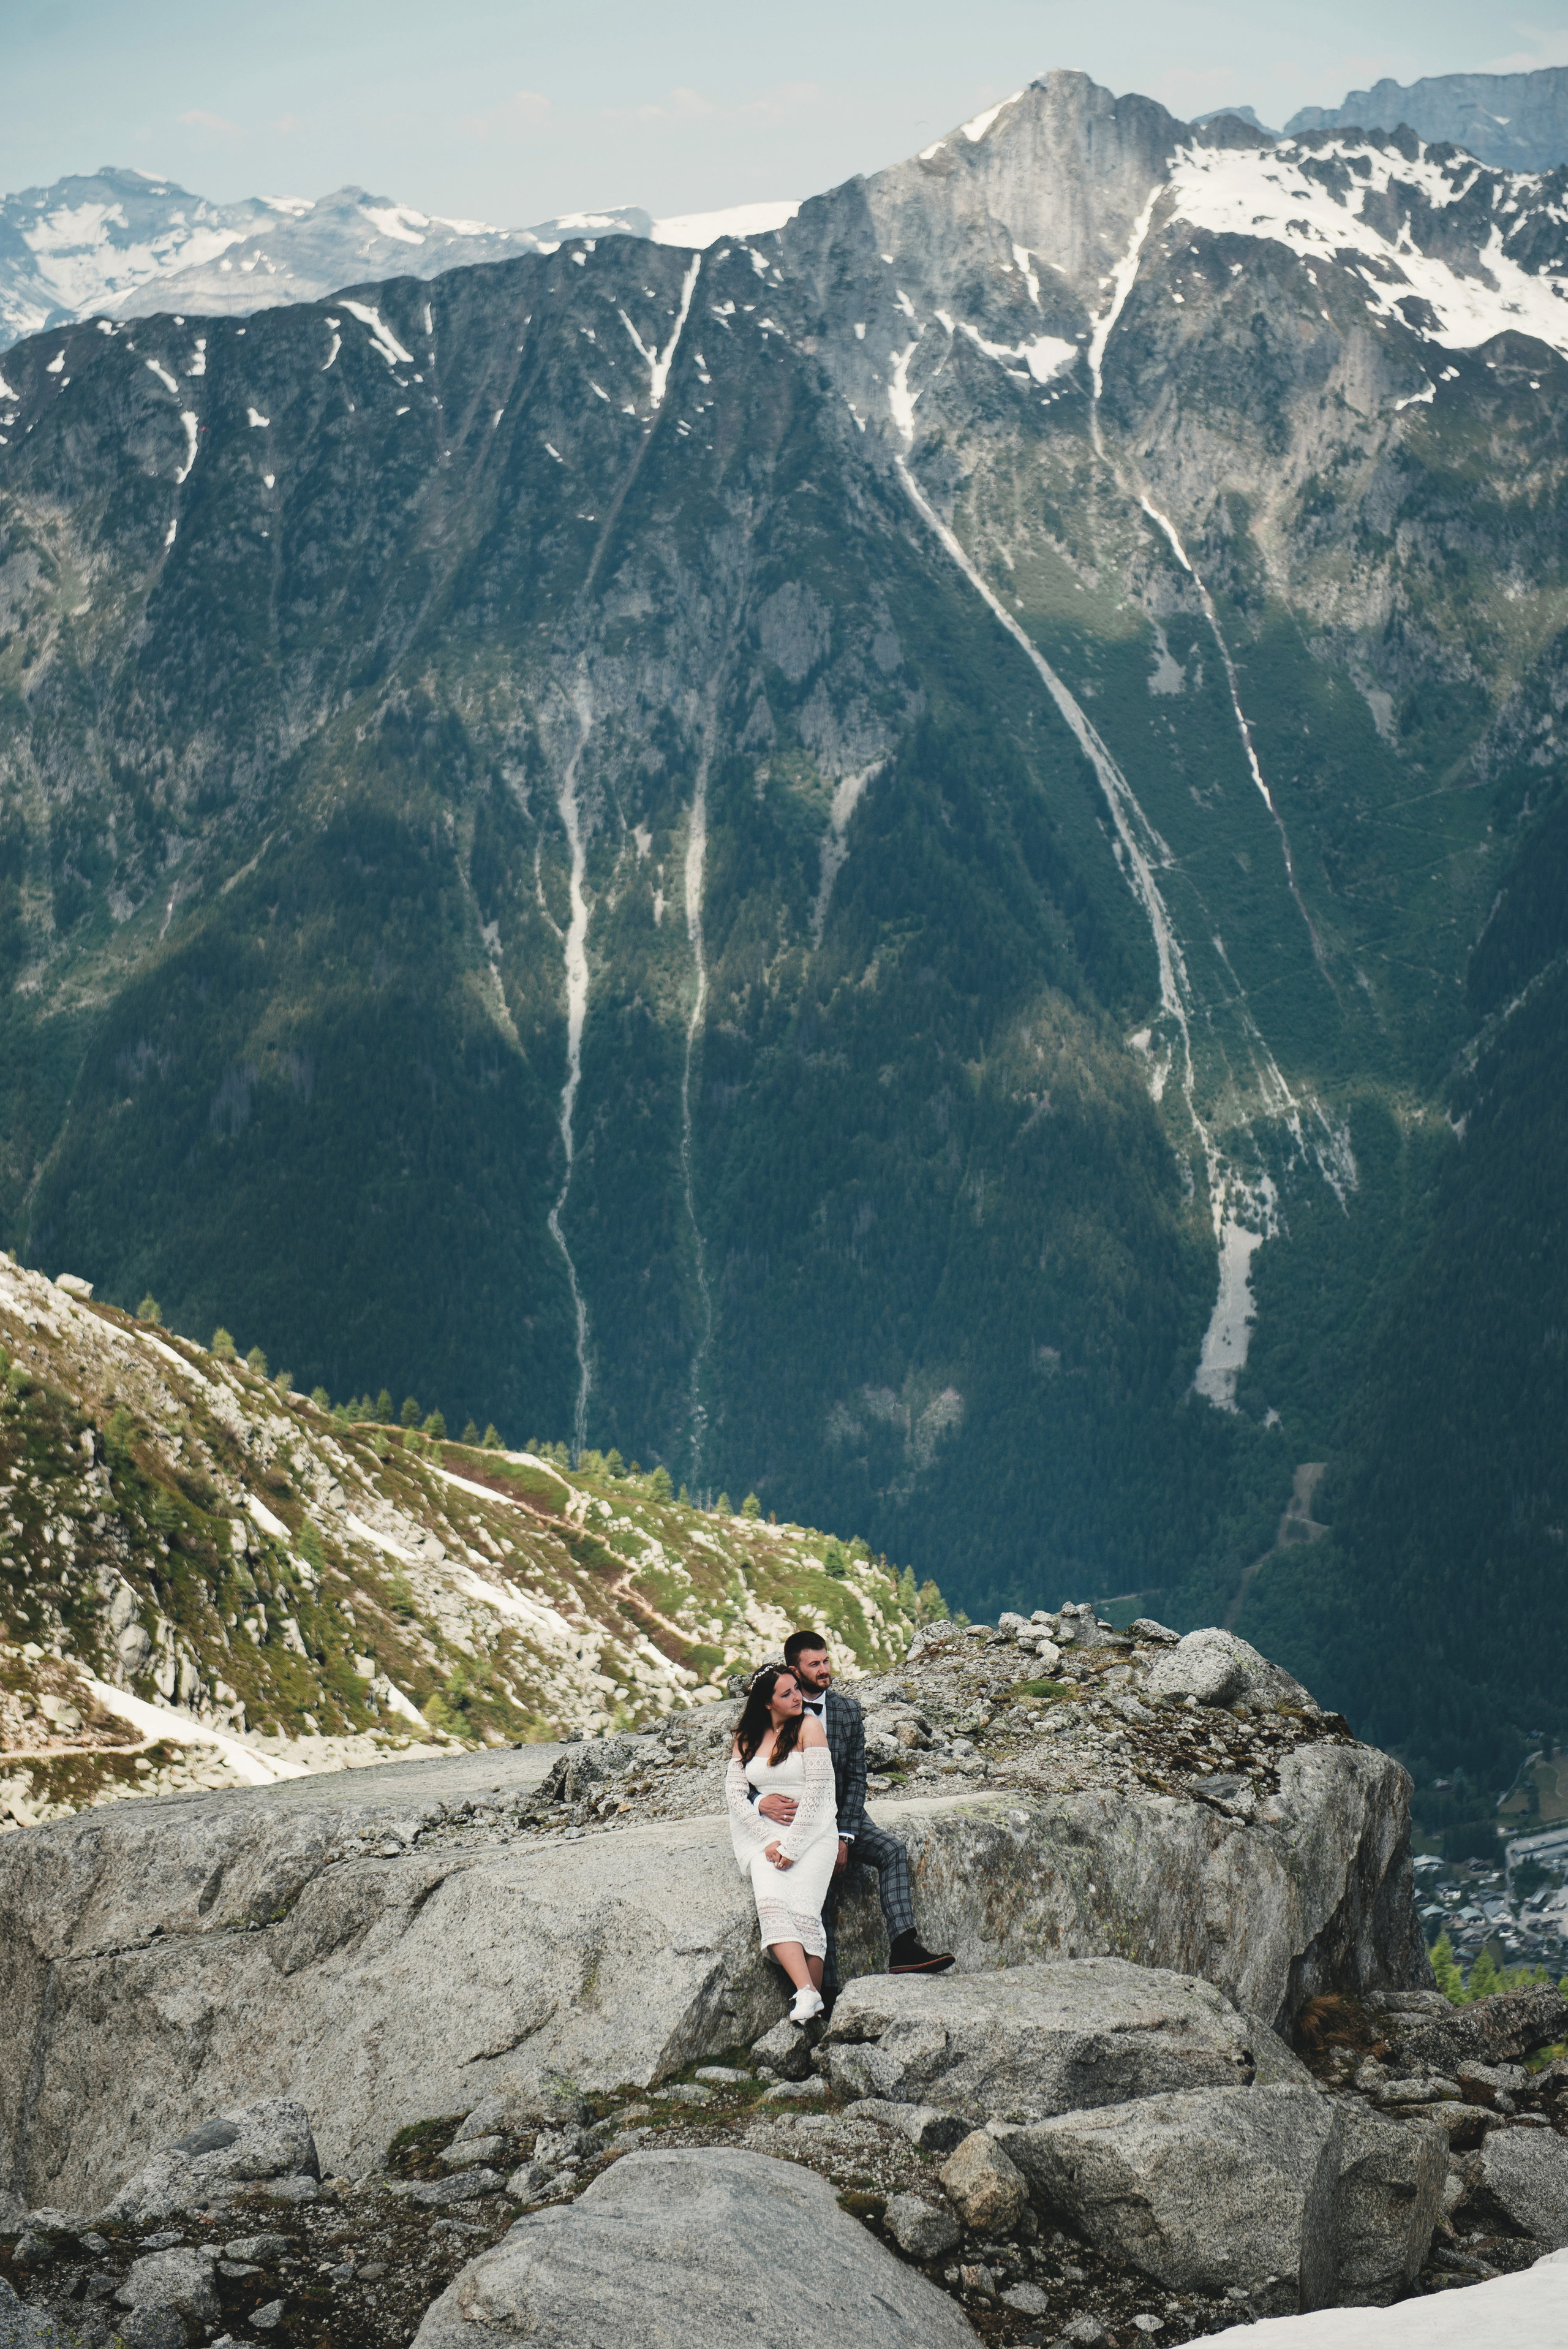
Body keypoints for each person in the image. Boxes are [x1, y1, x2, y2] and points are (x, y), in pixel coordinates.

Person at [750, 1627, 954, 1996]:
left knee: (892, 1850)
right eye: (814, 1664)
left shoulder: (846, 1709)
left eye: (826, 1660)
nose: (824, 1669)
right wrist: (757, 1802)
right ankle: (823, 1995)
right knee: (815, 1895)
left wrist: (845, 1835)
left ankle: (904, 1947)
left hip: (842, 1814)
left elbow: (857, 1777)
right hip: (795, 1823)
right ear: (794, 1672)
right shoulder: (773, 1711)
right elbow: (747, 1774)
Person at [725, 1663, 839, 2022]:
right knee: (772, 1906)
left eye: (796, 1689)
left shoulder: (808, 1726)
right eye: (786, 1693)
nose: (797, 1697)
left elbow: (821, 1791)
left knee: (805, 1912)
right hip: (766, 1836)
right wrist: (768, 1841)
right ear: (767, 1703)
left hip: (814, 1831)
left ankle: (810, 2005)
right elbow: (734, 1793)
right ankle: (809, 1997)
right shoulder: (747, 1737)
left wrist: (793, 1847)